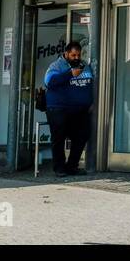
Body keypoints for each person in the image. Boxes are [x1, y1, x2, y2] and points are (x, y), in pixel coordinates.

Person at [43, 41, 95, 178]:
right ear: (66, 54)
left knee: (82, 135)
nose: (76, 58)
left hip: (79, 111)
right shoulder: (56, 66)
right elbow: (49, 82)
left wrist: (91, 102)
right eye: (73, 55)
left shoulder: (85, 66)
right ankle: (59, 168)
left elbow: (91, 84)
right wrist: (70, 74)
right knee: (58, 138)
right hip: (59, 109)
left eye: (78, 55)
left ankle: (72, 166)